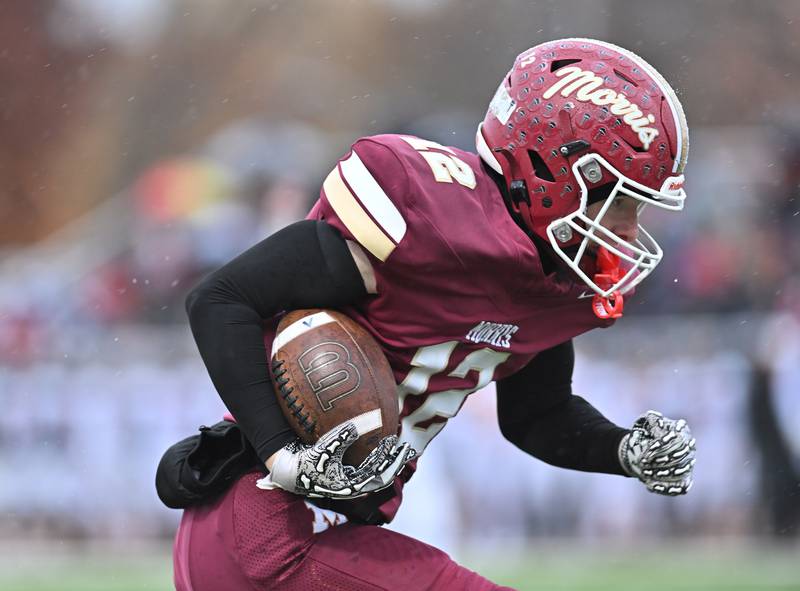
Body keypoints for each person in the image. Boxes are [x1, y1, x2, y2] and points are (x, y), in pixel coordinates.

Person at [160, 38, 697, 590]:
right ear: (555, 171)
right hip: (264, 525)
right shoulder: (421, 214)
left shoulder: (550, 286)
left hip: (334, 529)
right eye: (622, 202)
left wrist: (622, 450)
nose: (628, 230)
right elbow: (221, 299)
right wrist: (281, 453)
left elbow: (538, 416)